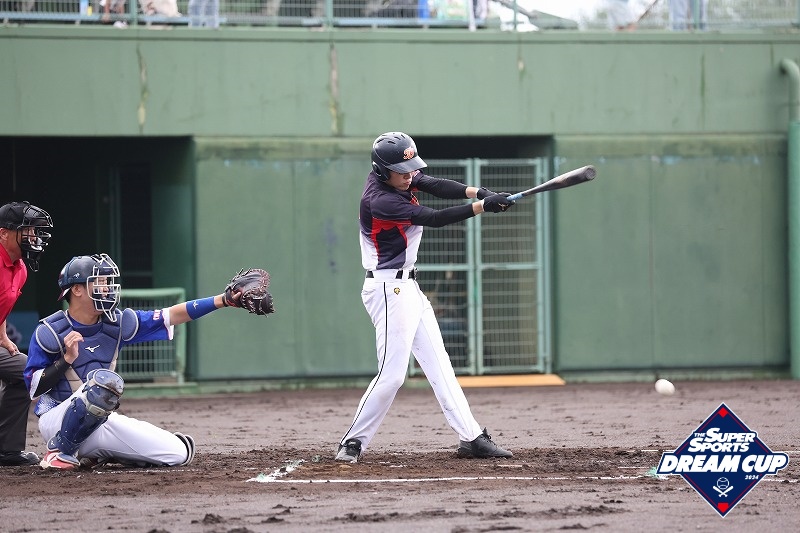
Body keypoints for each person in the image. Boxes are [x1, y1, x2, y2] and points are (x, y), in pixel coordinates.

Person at [335, 132, 515, 463]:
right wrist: (482, 207)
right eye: (401, 171)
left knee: (440, 366)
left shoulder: (399, 178)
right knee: (392, 376)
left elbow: (434, 184)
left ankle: (471, 437)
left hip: (409, 289)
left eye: (410, 169)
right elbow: (434, 218)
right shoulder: (381, 200)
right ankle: (352, 442)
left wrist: (480, 192)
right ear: (382, 170)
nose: (409, 176)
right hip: (389, 291)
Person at [23, 253, 252, 470]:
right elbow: (34, 389)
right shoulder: (50, 331)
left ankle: (99, 453)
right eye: (100, 282)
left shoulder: (118, 323)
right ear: (77, 289)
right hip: (56, 422)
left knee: (178, 453)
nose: (107, 288)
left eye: (108, 282)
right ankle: (59, 452)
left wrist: (223, 300)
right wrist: (66, 359)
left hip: (98, 422)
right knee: (100, 386)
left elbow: (171, 315)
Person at [0, 201, 53, 467]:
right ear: (4, 233)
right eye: (27, 230)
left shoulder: (20, 268)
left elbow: (2, 306)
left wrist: (3, 336)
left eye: (34, 231)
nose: (33, 236)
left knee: (26, 372)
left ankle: (7, 450)